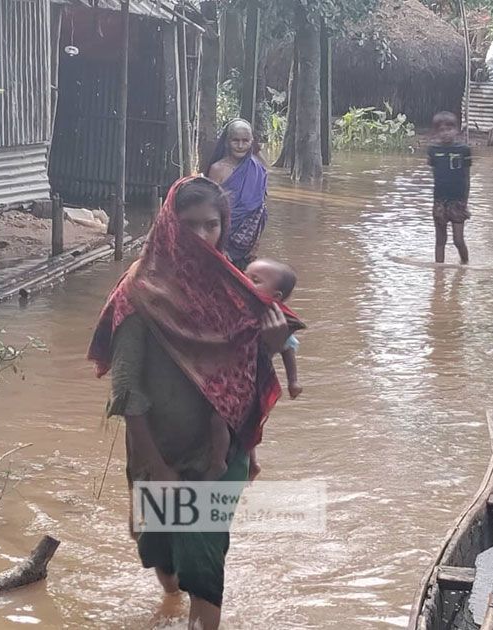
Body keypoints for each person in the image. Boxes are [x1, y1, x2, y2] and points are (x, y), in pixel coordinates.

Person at [88, 176, 301, 630]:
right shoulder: (139, 293)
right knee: (157, 550)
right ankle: (168, 604)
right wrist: (156, 465)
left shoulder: (234, 290)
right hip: (156, 449)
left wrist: (271, 344)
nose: (203, 237)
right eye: (191, 226)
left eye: (213, 225)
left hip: (217, 457)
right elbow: (126, 389)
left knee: (203, 560)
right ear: (169, 225)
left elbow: (242, 375)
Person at [203, 119, 269, 269]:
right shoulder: (217, 169)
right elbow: (211, 210)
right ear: (227, 142)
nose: (240, 146)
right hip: (221, 244)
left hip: (246, 247)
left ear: (252, 142)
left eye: (245, 141)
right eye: (235, 140)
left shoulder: (257, 168)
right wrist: (219, 247)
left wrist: (255, 245)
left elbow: (260, 210)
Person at [245, 258, 302, 400]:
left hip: (251, 380)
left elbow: (287, 349)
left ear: (275, 296)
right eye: (243, 275)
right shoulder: (234, 301)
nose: (244, 281)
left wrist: (293, 381)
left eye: (255, 281)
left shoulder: (277, 320)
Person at [426, 111, 472, 264]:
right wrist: (437, 202)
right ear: (436, 133)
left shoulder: (463, 150)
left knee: (458, 240)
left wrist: (464, 201)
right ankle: (439, 274)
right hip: (439, 200)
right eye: (441, 130)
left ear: (457, 130)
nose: (446, 133)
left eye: (449, 129)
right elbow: (435, 175)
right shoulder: (433, 151)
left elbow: (467, 177)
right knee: (440, 241)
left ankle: (465, 265)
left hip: (458, 201)